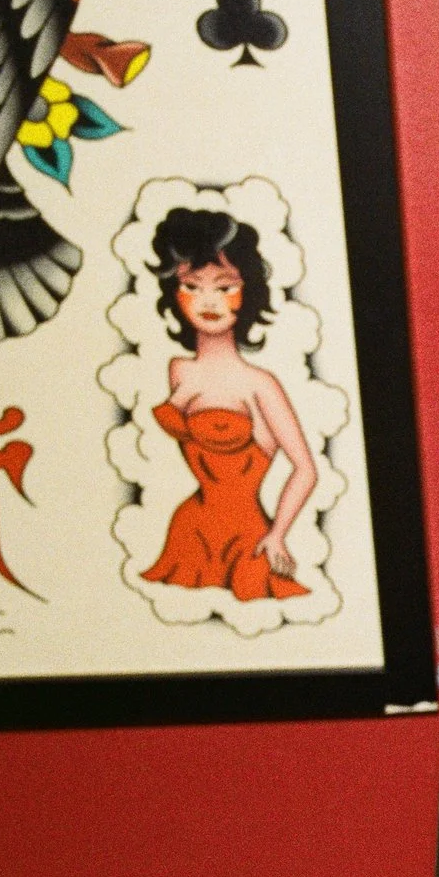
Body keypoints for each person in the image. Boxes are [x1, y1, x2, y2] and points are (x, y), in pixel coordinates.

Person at [139, 207, 316, 601]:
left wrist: (278, 534)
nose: (209, 300)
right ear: (174, 293)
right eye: (192, 285)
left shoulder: (260, 385)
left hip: (248, 541)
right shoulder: (178, 370)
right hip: (188, 533)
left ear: (247, 291)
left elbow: (305, 468)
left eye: (224, 286)